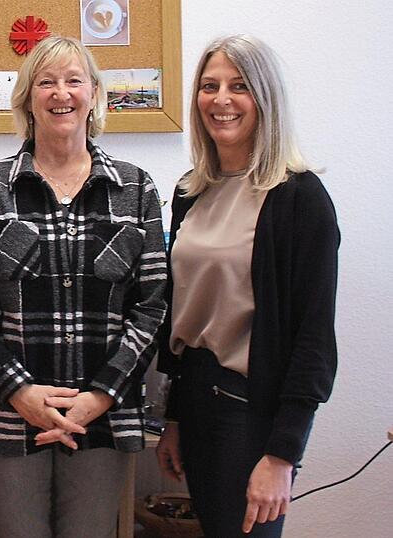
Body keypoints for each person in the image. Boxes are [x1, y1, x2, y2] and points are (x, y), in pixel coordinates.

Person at [0, 35, 168, 538]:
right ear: (27, 99)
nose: (60, 93)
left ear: (94, 95)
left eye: (74, 80)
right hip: (9, 411)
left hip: (104, 415)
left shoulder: (136, 188)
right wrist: (19, 390)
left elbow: (152, 305)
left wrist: (102, 394)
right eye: (46, 82)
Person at [154, 34, 340, 537]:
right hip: (194, 399)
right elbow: (186, 313)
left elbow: (314, 337)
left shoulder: (299, 198)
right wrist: (173, 418)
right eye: (209, 86)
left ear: (266, 98)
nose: (221, 100)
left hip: (251, 412)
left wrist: (282, 455)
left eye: (239, 86)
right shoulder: (192, 190)